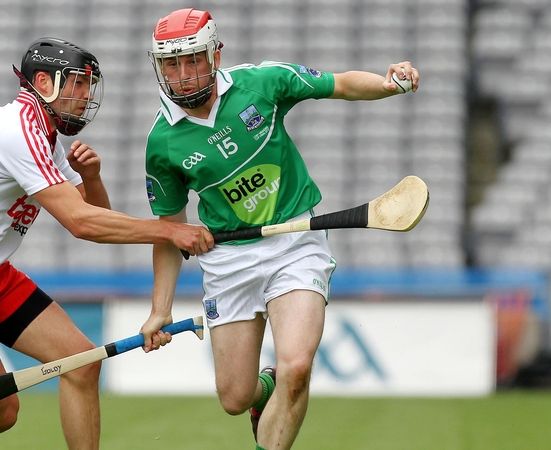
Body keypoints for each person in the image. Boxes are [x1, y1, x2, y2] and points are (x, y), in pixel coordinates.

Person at [0, 37, 213, 450]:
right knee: (0, 411)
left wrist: (92, 179)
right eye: (78, 84)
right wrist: (171, 230)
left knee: (81, 364)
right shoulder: (16, 130)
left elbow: (97, 216)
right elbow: (81, 224)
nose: (85, 97)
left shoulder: (47, 141)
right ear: (43, 81)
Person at [138, 8, 419, 450]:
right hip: (229, 261)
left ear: (215, 55)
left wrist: (387, 84)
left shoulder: (262, 82)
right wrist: (161, 308)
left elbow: (341, 83)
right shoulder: (162, 143)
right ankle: (262, 393)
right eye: (171, 64)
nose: (183, 75)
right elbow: (169, 233)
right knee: (234, 397)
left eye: (192, 59)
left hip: (294, 242)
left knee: (297, 367)